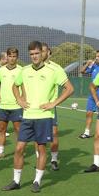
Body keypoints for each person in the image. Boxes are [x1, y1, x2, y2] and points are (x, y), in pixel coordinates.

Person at [2, 41, 74, 193]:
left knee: (41, 149)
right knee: (19, 148)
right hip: (27, 116)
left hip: (44, 117)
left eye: (37, 53)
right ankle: (16, 181)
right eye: (31, 54)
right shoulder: (25, 70)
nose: (34, 57)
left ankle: (37, 181)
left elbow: (69, 89)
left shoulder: (54, 71)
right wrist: (19, 100)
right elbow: (15, 86)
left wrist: (54, 103)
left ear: (43, 53)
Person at [0, 48, 23, 160]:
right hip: (3, 106)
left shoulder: (21, 70)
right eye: (10, 56)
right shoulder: (1, 70)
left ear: (17, 57)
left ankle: (19, 151)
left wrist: (23, 99)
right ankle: (0, 152)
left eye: (14, 56)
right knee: (2, 129)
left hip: (16, 106)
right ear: (7, 57)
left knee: (18, 130)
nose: (12, 58)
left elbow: (25, 86)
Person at [39, 43, 68, 171]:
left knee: (54, 133)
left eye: (44, 51)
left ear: (49, 52)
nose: (41, 54)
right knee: (38, 136)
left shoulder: (57, 68)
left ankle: (54, 159)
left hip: (50, 108)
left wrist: (55, 102)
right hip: (35, 108)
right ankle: (39, 158)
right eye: (40, 51)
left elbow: (67, 87)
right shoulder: (31, 68)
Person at [78, 50, 99, 139]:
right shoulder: (94, 66)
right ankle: (87, 132)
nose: (96, 58)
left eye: (98, 56)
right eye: (96, 56)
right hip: (92, 94)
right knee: (89, 113)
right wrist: (87, 64)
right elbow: (82, 71)